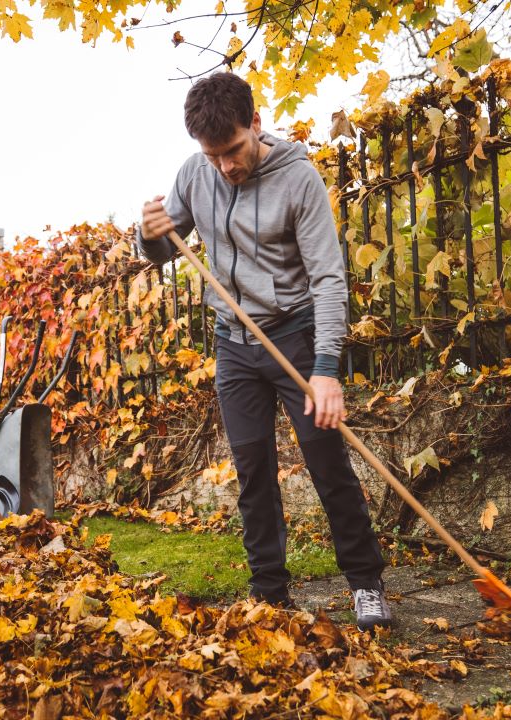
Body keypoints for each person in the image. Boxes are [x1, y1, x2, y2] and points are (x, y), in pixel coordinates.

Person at [138, 73, 393, 629]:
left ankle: (366, 584)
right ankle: (270, 593)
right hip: (234, 343)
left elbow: (328, 278)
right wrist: (149, 231)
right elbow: (161, 249)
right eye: (212, 155)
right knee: (253, 472)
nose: (225, 165)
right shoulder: (195, 174)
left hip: (294, 337)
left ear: (255, 124)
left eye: (232, 149)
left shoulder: (299, 180)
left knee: (328, 465)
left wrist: (326, 370)